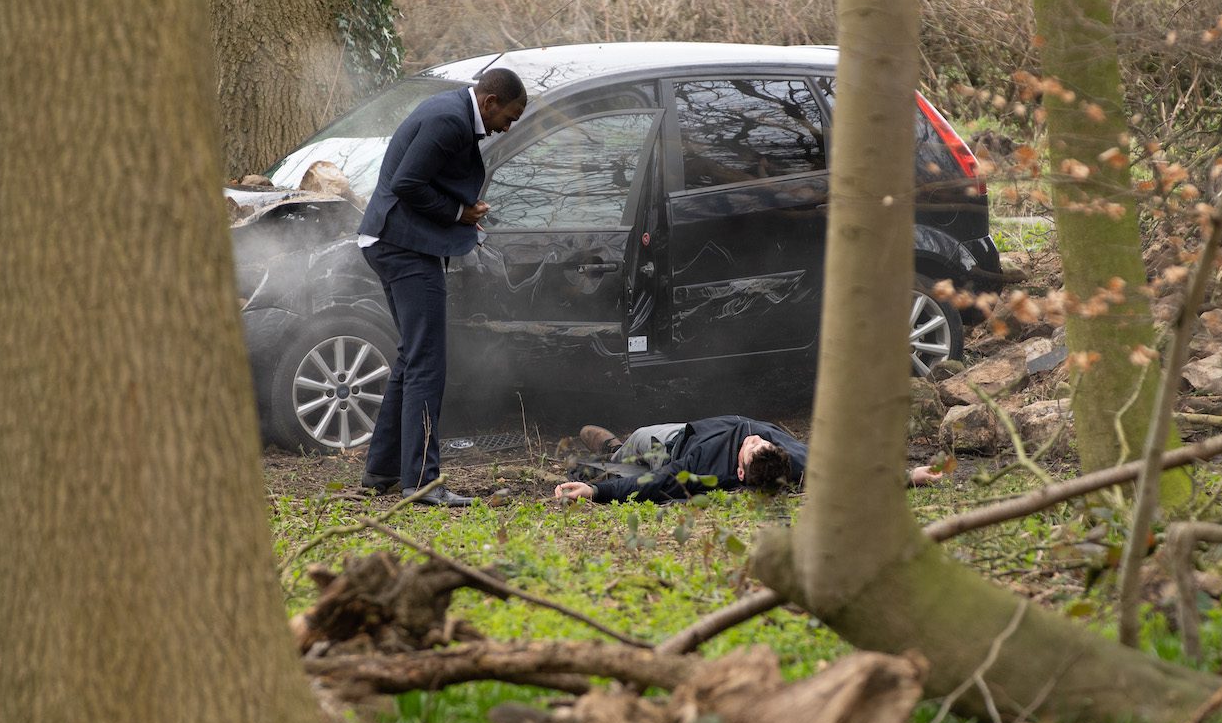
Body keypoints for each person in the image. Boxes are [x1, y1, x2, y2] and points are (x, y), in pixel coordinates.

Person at [357, 68, 527, 507]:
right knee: (428, 363)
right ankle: (422, 482)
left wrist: (460, 210)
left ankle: (382, 470)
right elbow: (407, 183)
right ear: (489, 103)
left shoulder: (453, 113)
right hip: (402, 246)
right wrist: (459, 212)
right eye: (509, 117)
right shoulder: (449, 120)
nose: (507, 127)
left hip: (390, 240)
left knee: (413, 356)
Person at [554, 416, 943, 504]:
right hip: (704, 426)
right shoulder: (794, 459)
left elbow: (653, 485)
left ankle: (610, 449)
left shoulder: (701, 466)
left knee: (635, 453)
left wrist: (595, 491)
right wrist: (909, 475)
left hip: (671, 444)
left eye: (752, 447)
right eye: (765, 443)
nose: (756, 438)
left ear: (739, 471)